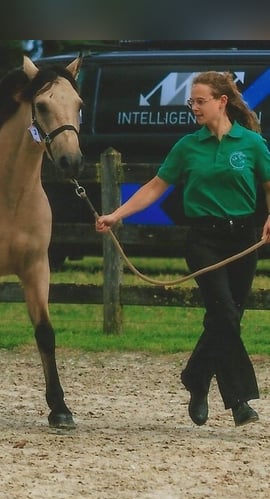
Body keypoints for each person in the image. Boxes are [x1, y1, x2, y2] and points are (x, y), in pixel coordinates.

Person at [96, 70, 270, 428]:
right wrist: (117, 214)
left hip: (243, 238)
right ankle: (239, 402)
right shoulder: (188, 147)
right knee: (223, 315)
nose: (194, 107)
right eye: (192, 101)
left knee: (228, 318)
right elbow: (156, 187)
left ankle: (196, 376)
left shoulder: (251, 143)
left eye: (200, 101)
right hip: (204, 239)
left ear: (222, 102)